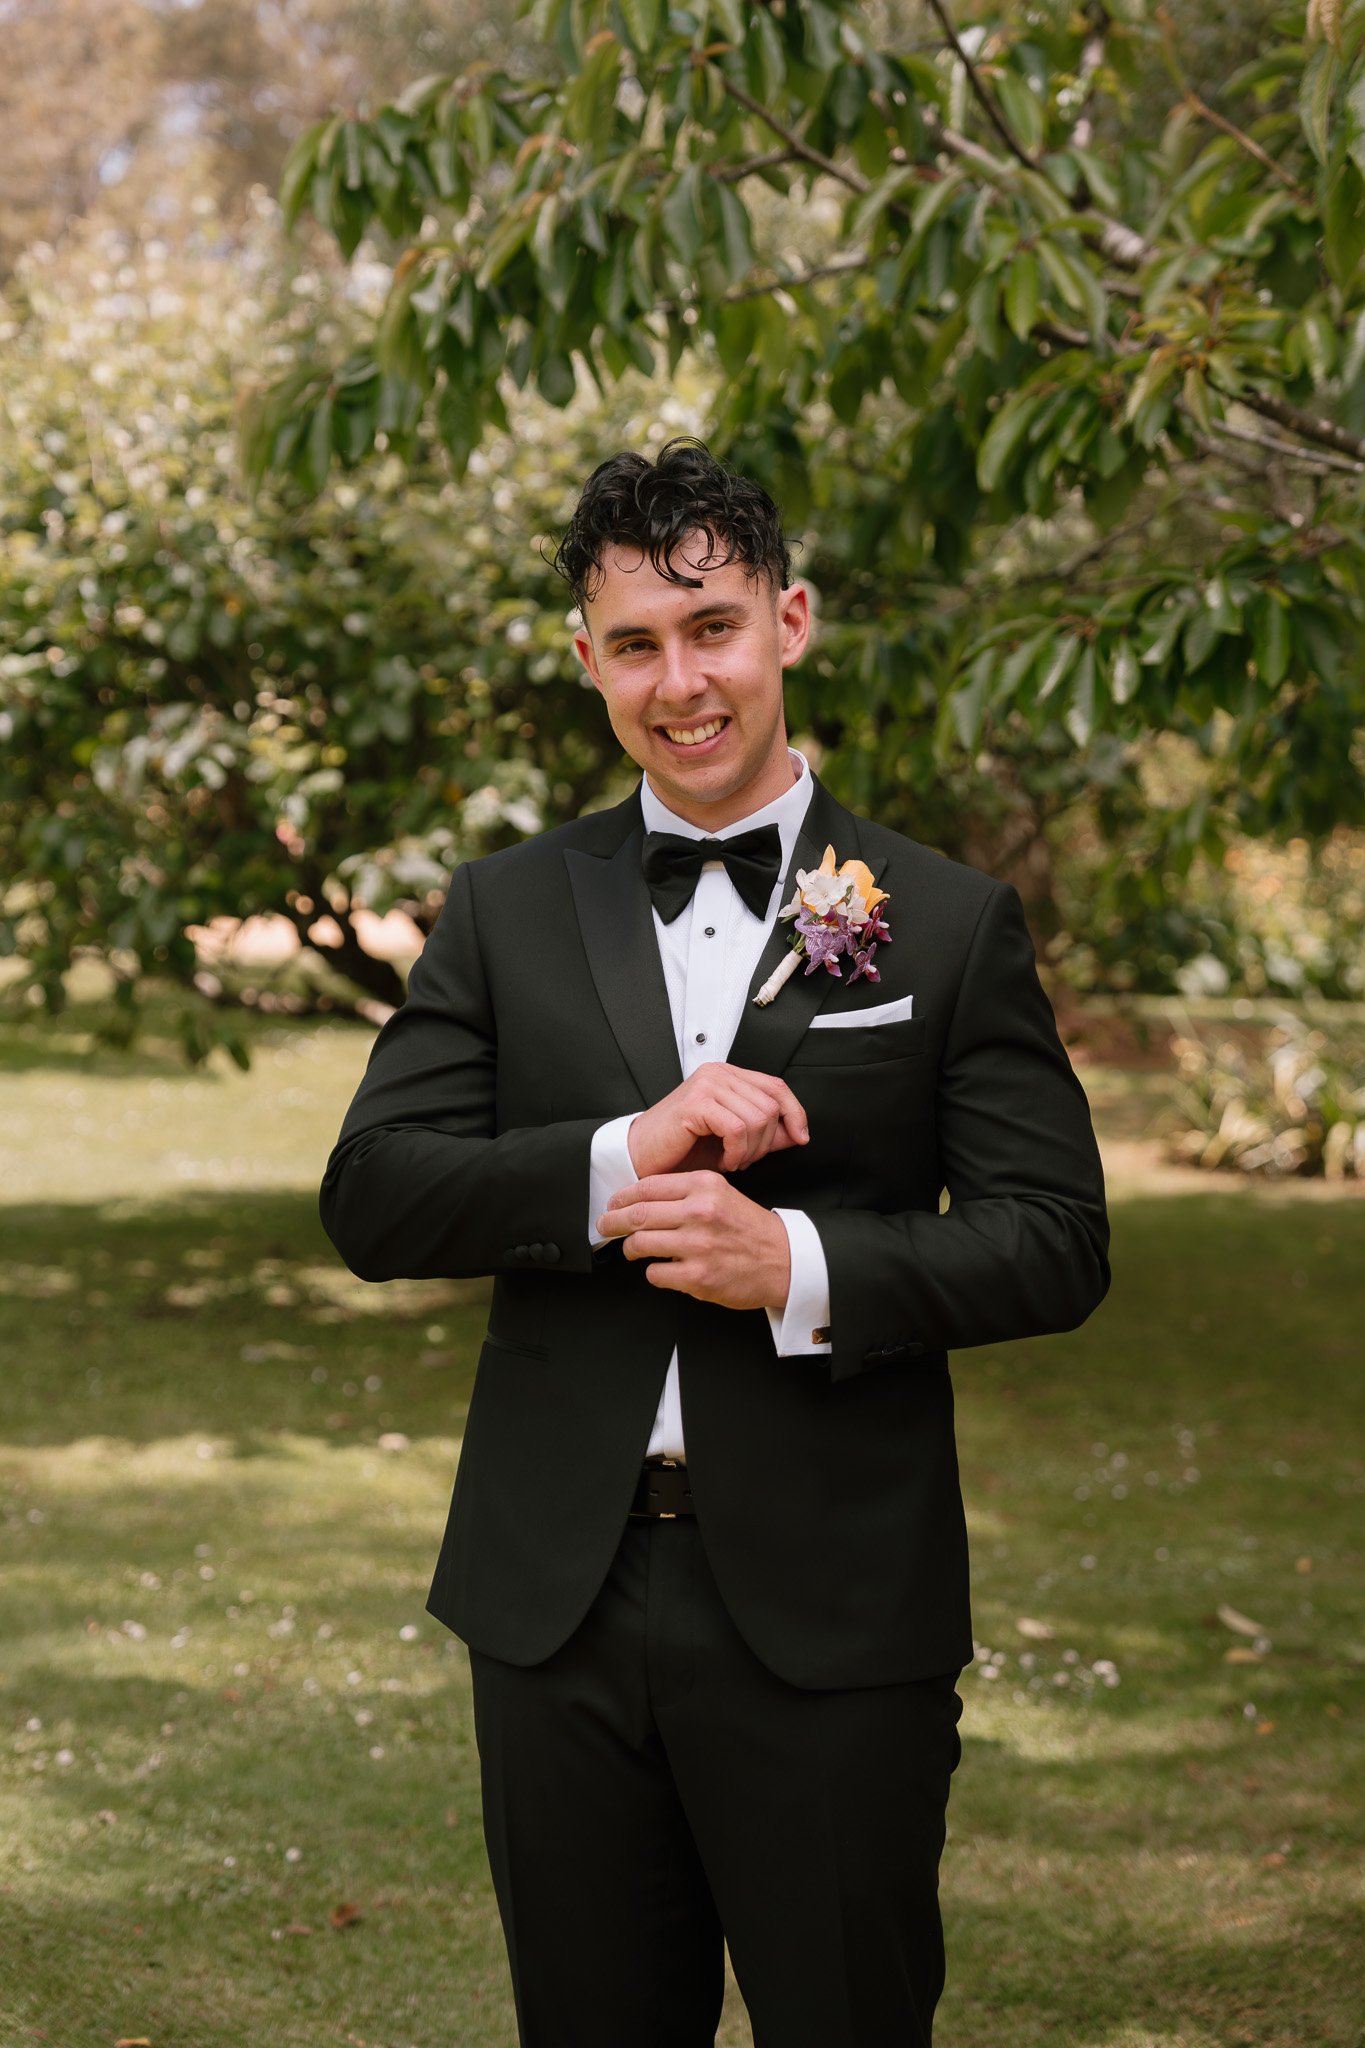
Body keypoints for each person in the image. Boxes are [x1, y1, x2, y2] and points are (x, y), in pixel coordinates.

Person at [319, 436, 1111, 2047]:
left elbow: (1052, 1239)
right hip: (556, 1604)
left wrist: (799, 1272)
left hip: (834, 1606)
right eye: (634, 643)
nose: (680, 682)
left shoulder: (940, 920)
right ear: (586, 658)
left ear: (789, 620)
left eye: (713, 627)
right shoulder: (503, 908)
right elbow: (376, 1195)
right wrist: (618, 1160)